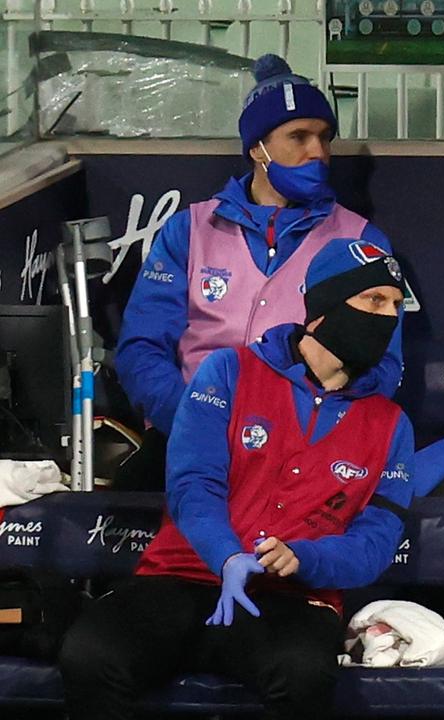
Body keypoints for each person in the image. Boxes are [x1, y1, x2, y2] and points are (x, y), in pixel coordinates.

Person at [59, 238, 415, 720]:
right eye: (373, 301)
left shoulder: (391, 424)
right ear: (325, 308)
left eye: (395, 305)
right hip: (182, 577)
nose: (387, 317)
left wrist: (303, 557)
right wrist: (226, 555)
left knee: (303, 674)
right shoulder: (229, 371)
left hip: (292, 599)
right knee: (91, 654)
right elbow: (193, 486)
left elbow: (375, 540)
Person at [114, 53, 403, 489]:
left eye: (325, 137)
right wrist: (196, 423)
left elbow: (384, 367)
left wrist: (306, 429)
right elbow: (142, 349)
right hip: (190, 435)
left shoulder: (361, 242)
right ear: (257, 148)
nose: (318, 152)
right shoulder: (190, 230)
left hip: (306, 450)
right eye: (299, 137)